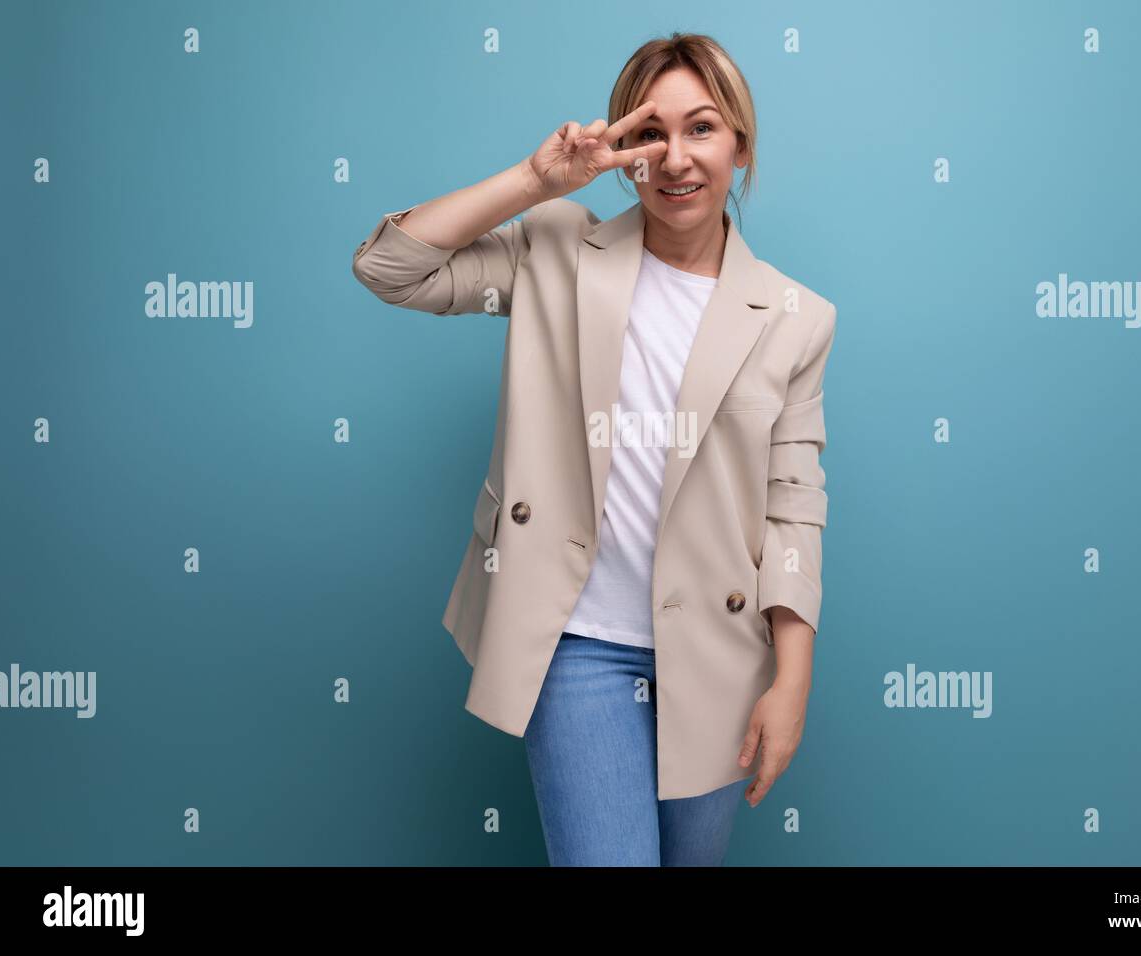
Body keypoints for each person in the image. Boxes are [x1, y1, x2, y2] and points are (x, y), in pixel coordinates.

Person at [352, 32, 836, 866]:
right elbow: (391, 267)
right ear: (623, 148)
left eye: (702, 129)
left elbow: (792, 503)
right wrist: (535, 182)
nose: (675, 158)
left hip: (719, 655)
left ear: (741, 146)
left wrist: (791, 682)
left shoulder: (797, 317)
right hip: (576, 643)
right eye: (651, 133)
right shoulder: (557, 251)